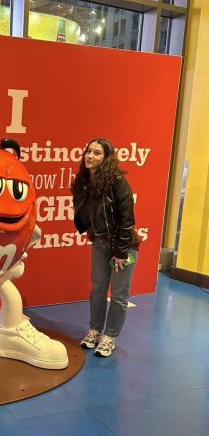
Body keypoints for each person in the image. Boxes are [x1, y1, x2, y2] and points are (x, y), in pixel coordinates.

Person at [71, 138, 140, 357]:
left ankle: (110, 336)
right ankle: (95, 330)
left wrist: (120, 252)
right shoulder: (85, 181)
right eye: (88, 151)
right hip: (100, 242)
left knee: (119, 294)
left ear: (106, 158)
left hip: (124, 246)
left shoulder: (118, 181)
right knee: (98, 289)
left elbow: (127, 219)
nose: (90, 156)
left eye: (97, 153)